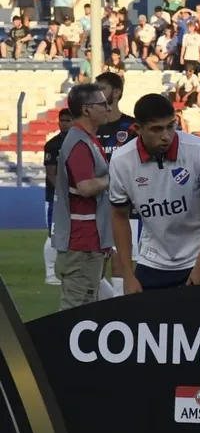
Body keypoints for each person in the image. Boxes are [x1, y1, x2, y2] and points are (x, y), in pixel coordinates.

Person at [108, 94, 200, 292]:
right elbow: (119, 217)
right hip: (153, 261)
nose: (166, 135)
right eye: (156, 129)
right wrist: (127, 275)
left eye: (170, 126)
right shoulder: (121, 160)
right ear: (138, 129)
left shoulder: (198, 150)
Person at [51, 84, 112, 310]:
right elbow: (86, 187)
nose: (108, 108)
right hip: (81, 242)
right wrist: (113, 179)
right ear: (87, 110)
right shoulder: (79, 142)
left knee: (86, 306)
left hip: (90, 239)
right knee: (75, 309)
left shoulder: (87, 140)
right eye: (102, 104)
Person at [95, 71, 140, 297]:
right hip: (96, 205)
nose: (98, 93)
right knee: (92, 266)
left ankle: (120, 311)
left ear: (117, 93)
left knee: (122, 261)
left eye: (102, 88)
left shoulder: (132, 128)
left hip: (127, 208)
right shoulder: (91, 129)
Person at [42, 108, 73, 285]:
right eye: (62, 120)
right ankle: (50, 273)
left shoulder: (80, 142)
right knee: (53, 234)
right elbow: (51, 173)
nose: (65, 123)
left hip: (76, 196)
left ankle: (69, 270)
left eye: (68, 120)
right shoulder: (53, 145)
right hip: (55, 197)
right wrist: (63, 193)